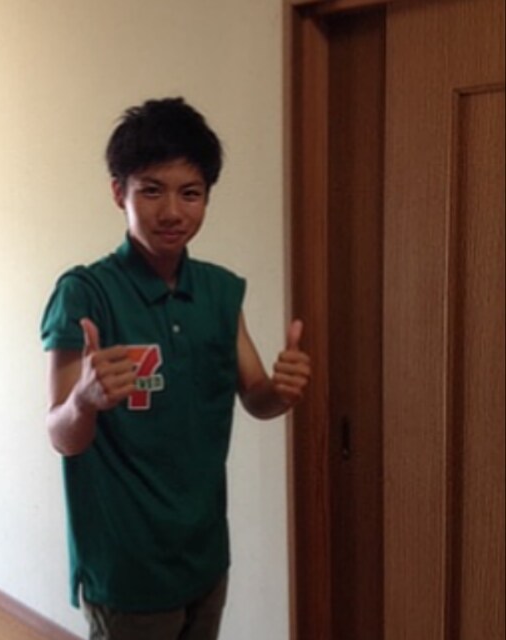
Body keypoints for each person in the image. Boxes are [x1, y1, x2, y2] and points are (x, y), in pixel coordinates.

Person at [40, 97, 311, 640]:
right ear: (119, 192)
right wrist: (84, 401)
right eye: (151, 190)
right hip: (127, 568)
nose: (172, 212)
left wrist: (281, 392)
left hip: (205, 554)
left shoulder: (219, 291)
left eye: (190, 193)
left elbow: (255, 395)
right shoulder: (85, 293)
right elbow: (62, 436)